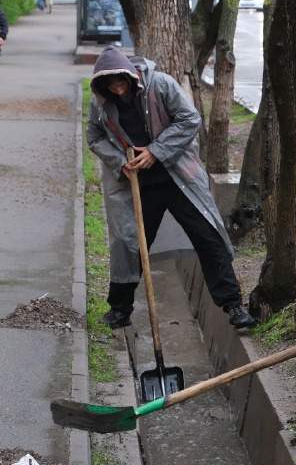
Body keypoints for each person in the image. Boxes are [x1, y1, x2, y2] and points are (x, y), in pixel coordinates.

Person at [86, 47, 257, 330]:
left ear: (130, 75)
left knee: (208, 236)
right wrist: (120, 162)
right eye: (110, 85)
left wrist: (156, 151)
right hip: (138, 182)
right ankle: (120, 308)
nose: (117, 90)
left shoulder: (161, 84)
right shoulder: (101, 102)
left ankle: (233, 305)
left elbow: (189, 119)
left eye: (120, 82)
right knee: (130, 243)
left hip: (179, 177)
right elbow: (94, 136)